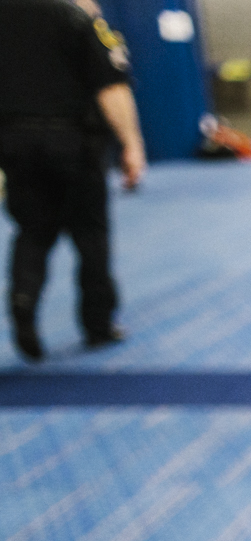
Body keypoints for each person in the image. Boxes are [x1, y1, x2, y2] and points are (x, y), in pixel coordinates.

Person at [0, 0, 145, 363]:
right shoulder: (78, 18)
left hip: (14, 141)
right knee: (90, 233)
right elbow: (111, 86)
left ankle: (23, 306)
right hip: (74, 142)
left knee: (32, 230)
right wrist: (131, 143)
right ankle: (98, 326)